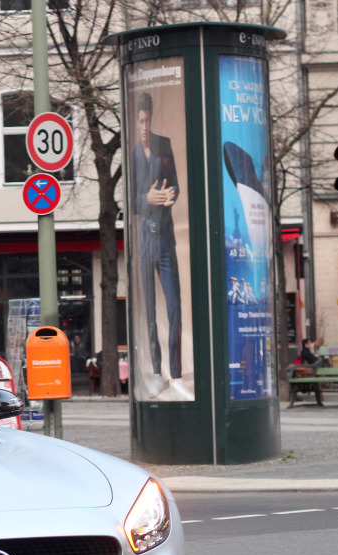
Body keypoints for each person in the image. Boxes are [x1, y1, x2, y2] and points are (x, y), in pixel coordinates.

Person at [130, 91, 185, 400]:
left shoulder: (164, 144)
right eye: (139, 120)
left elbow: (174, 181)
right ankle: (155, 371)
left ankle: (175, 372)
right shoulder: (132, 152)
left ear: (151, 118)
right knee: (149, 310)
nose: (143, 125)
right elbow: (130, 200)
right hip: (144, 239)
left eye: (146, 119)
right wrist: (147, 198)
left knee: (175, 305)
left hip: (164, 237)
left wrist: (171, 194)